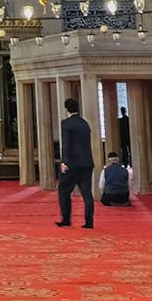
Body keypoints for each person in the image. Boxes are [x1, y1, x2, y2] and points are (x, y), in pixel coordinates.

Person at [55, 96, 95, 229]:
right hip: (87, 162)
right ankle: (89, 222)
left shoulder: (66, 124)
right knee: (87, 194)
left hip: (72, 163)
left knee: (63, 190)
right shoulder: (85, 123)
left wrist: (64, 161)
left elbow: (66, 144)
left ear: (66, 109)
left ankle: (66, 219)